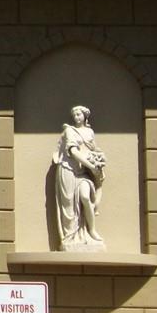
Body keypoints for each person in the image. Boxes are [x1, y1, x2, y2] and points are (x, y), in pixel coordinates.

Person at [52, 105, 106, 250]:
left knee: (85, 197)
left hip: (83, 173)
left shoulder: (90, 132)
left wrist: (100, 160)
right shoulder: (70, 131)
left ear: (85, 116)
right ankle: (71, 237)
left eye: (79, 114)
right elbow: (74, 152)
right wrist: (91, 165)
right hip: (68, 170)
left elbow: (94, 149)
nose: (76, 117)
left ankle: (91, 230)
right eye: (74, 115)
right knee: (69, 206)